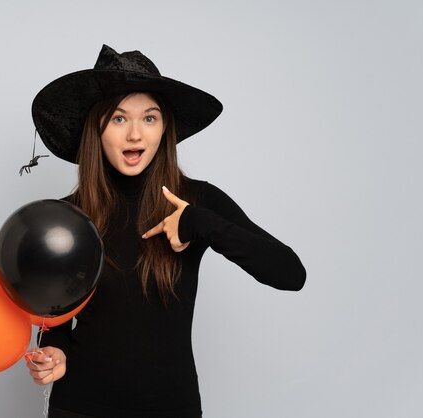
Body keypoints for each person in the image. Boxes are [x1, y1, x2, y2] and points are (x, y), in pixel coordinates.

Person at [25, 45, 306, 418]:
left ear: (165, 128)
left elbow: (290, 273)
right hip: (79, 407)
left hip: (171, 408)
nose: (136, 135)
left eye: (150, 118)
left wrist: (201, 222)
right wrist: (54, 350)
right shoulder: (67, 216)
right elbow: (53, 314)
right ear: (97, 128)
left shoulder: (197, 202)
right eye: (119, 119)